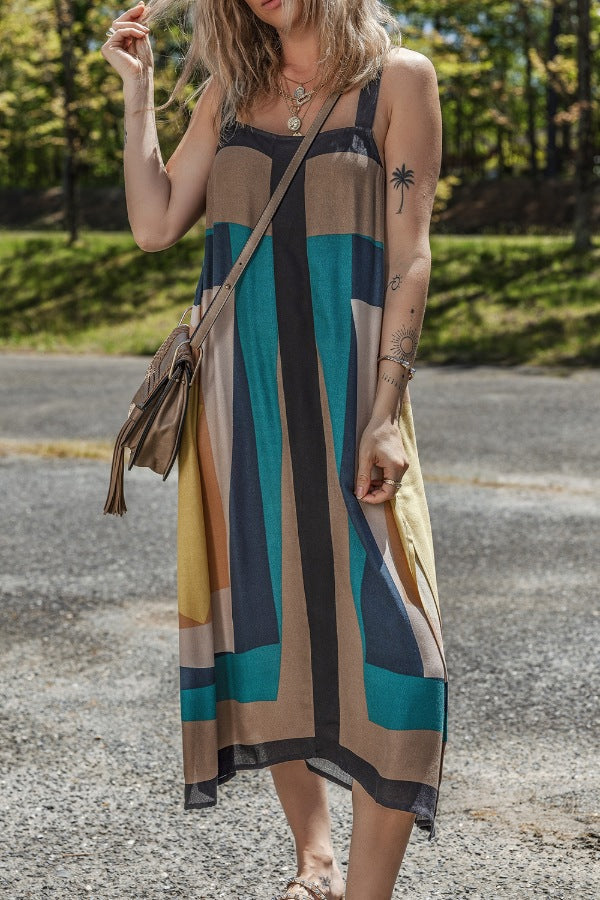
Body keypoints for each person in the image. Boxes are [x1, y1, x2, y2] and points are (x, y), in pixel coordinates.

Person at [102, 1, 448, 897]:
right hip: (239, 401)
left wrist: (385, 410)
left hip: (353, 399)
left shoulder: (397, 81)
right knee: (267, 627)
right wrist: (139, 94)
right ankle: (315, 859)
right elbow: (153, 224)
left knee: (403, 649)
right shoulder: (228, 92)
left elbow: (410, 255)